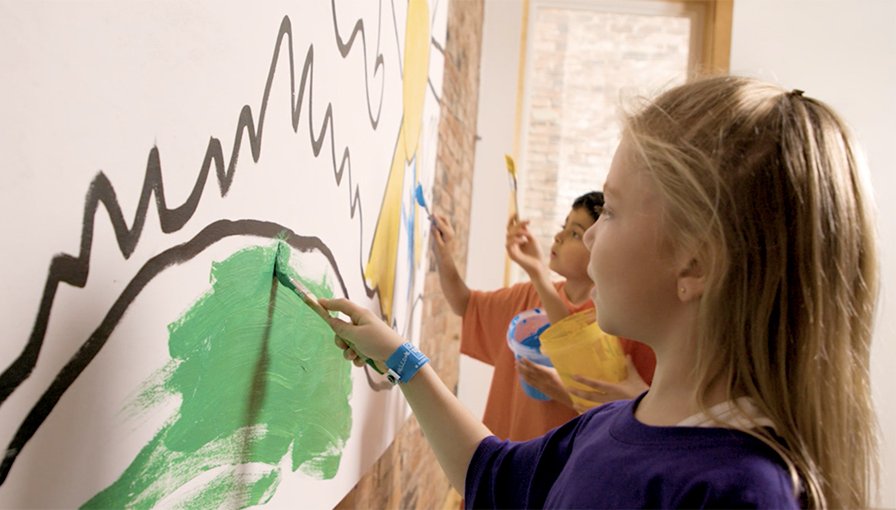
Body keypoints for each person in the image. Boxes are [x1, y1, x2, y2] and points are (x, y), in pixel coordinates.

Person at [319, 75, 879, 508]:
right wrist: (402, 360)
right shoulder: (613, 425)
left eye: (608, 211)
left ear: (697, 262)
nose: (588, 237)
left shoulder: (741, 491)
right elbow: (492, 475)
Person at [431, 192, 655, 438]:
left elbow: (637, 419)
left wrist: (563, 392)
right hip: (501, 459)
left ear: (602, 248)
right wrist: (444, 254)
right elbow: (465, 305)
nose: (559, 237)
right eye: (564, 227)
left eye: (575, 234)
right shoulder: (527, 296)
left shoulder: (620, 323)